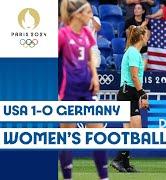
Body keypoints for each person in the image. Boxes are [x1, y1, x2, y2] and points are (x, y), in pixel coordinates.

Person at [58, 0, 108, 180]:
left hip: (86, 88)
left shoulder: (87, 32)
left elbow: (89, 58)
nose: (90, 15)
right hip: (69, 90)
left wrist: (94, 76)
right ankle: (68, 177)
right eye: (87, 12)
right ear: (78, 14)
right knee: (67, 136)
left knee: (98, 133)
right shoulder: (62, 34)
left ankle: (104, 177)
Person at [110, 25, 149, 173]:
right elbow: (134, 76)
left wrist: (139, 95)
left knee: (131, 129)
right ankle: (119, 160)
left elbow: (135, 77)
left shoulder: (134, 52)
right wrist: (142, 95)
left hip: (129, 92)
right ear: (141, 37)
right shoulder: (133, 52)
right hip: (128, 92)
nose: (147, 38)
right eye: (146, 35)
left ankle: (124, 163)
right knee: (133, 129)